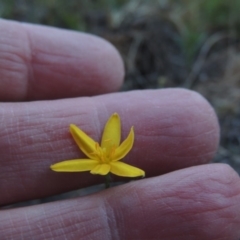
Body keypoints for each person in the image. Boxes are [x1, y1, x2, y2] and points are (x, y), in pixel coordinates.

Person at [0, 19, 239, 240]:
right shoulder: (98, 161)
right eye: (101, 151)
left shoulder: (113, 161)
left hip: (111, 168)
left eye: (105, 151)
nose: (102, 152)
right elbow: (74, 150)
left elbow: (131, 166)